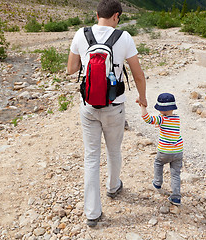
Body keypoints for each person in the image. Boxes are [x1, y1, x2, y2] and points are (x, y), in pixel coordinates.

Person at [67, 0, 147, 227]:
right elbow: (138, 75)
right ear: (116, 16)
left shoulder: (81, 34)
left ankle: (92, 213)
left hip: (88, 105)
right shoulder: (124, 37)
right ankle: (113, 187)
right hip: (115, 105)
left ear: (96, 14)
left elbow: (71, 69)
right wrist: (143, 98)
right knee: (114, 150)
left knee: (91, 156)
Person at [140, 93, 183, 206]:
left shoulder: (161, 119)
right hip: (178, 151)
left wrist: (142, 106)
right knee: (175, 174)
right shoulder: (176, 118)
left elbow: (147, 118)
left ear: (161, 110)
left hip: (165, 150)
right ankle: (176, 197)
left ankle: (157, 183)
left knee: (158, 163)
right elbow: (170, 128)